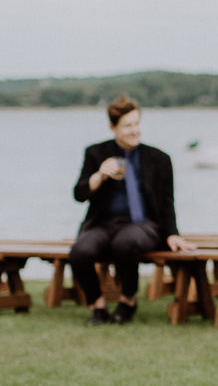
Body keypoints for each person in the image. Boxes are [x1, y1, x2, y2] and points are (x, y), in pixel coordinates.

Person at [69, 96, 188, 325]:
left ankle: (128, 300)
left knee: (125, 242)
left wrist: (173, 233)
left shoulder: (159, 159)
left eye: (136, 124)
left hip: (143, 224)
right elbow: (79, 194)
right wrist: (99, 175)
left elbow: (166, 201)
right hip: (103, 223)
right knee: (80, 251)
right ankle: (98, 306)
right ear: (113, 127)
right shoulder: (96, 153)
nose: (134, 130)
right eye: (127, 125)